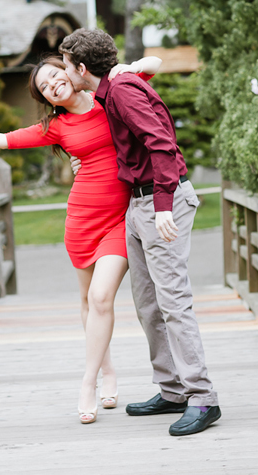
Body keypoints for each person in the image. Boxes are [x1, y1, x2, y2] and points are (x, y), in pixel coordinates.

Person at [0, 51, 163, 422]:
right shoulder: (56, 128)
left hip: (120, 218)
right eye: (45, 88)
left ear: (71, 72)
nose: (53, 86)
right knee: (89, 303)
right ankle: (107, 373)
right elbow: (6, 140)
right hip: (82, 219)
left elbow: (154, 65)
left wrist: (128, 67)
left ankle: (86, 383)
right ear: (46, 99)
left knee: (102, 297)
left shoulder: (111, 95)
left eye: (56, 77)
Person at [58, 27, 220, 437]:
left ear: (81, 68)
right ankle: (172, 390)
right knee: (148, 303)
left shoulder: (124, 91)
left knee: (173, 302)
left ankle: (202, 397)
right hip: (138, 202)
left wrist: (164, 206)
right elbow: (149, 69)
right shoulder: (110, 89)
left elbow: (162, 145)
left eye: (65, 66)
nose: (63, 75)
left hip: (161, 202)